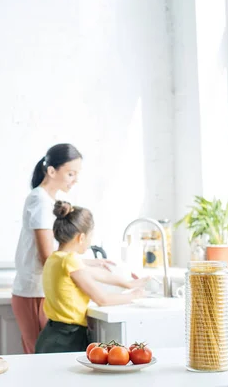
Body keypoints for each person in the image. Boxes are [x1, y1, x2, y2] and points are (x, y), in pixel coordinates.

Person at [11, 144, 112, 354]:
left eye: (77, 174)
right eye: (70, 174)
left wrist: (93, 262)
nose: (75, 180)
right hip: (33, 292)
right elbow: (48, 256)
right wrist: (85, 268)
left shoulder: (49, 201)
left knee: (41, 359)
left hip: (39, 290)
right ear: (51, 171)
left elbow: (59, 256)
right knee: (37, 360)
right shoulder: (40, 200)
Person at [35, 201, 148, 353]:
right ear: (81, 237)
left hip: (52, 335)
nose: (89, 243)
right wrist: (135, 295)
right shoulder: (69, 261)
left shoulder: (55, 258)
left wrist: (128, 284)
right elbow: (103, 299)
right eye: (90, 237)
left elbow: (96, 273)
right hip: (66, 339)